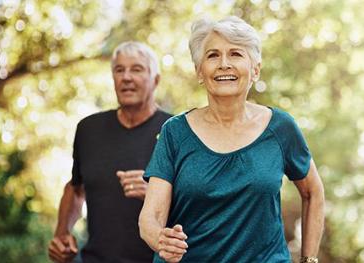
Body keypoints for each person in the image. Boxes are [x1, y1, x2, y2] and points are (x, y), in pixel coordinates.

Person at [138, 16, 325, 263]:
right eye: (212, 55)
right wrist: (161, 239)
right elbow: (150, 218)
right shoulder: (175, 133)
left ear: (255, 70)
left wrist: (308, 259)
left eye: (235, 54)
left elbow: (313, 192)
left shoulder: (280, 128)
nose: (224, 64)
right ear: (199, 71)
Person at [48, 41, 171, 263]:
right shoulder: (88, 129)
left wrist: (156, 195)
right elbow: (76, 189)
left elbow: (197, 202)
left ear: (156, 80)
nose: (126, 77)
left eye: (137, 69)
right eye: (119, 70)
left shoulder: (175, 131)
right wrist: (62, 233)